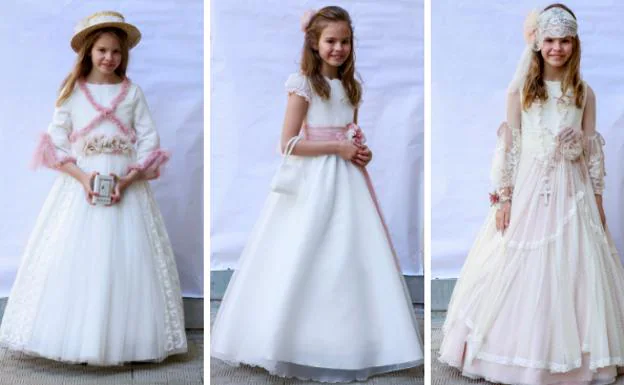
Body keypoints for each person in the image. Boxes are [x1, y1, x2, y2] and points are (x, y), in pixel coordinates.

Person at [211, 6, 423, 383]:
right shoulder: (303, 84)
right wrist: (337, 149)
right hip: (314, 182)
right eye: (330, 41)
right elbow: (288, 143)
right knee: (305, 249)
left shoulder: (352, 85)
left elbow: (351, 132)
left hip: (348, 180)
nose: (338, 48)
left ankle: (351, 341)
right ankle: (289, 340)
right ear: (313, 42)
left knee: (348, 253)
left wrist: (360, 150)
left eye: (344, 41)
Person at [439, 4, 624, 384]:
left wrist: (598, 200)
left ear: (575, 43)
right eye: (550, 40)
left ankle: (575, 355)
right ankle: (516, 352)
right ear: (537, 43)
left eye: (565, 41)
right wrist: (504, 198)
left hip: (573, 195)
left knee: (575, 268)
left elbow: (592, 152)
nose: (557, 48)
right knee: (519, 264)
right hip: (529, 191)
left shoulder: (583, 92)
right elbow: (510, 146)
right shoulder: (522, 90)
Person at [0, 11, 187, 365]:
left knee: (126, 260)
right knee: (77, 258)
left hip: (125, 188)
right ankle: (76, 338)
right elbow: (56, 144)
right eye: (102, 50)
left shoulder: (132, 93)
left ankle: (125, 341)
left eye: (116, 51)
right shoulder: (72, 93)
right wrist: (84, 179)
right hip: (80, 188)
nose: (109, 58)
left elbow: (149, 139)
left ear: (124, 55)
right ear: (88, 52)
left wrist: (127, 179)